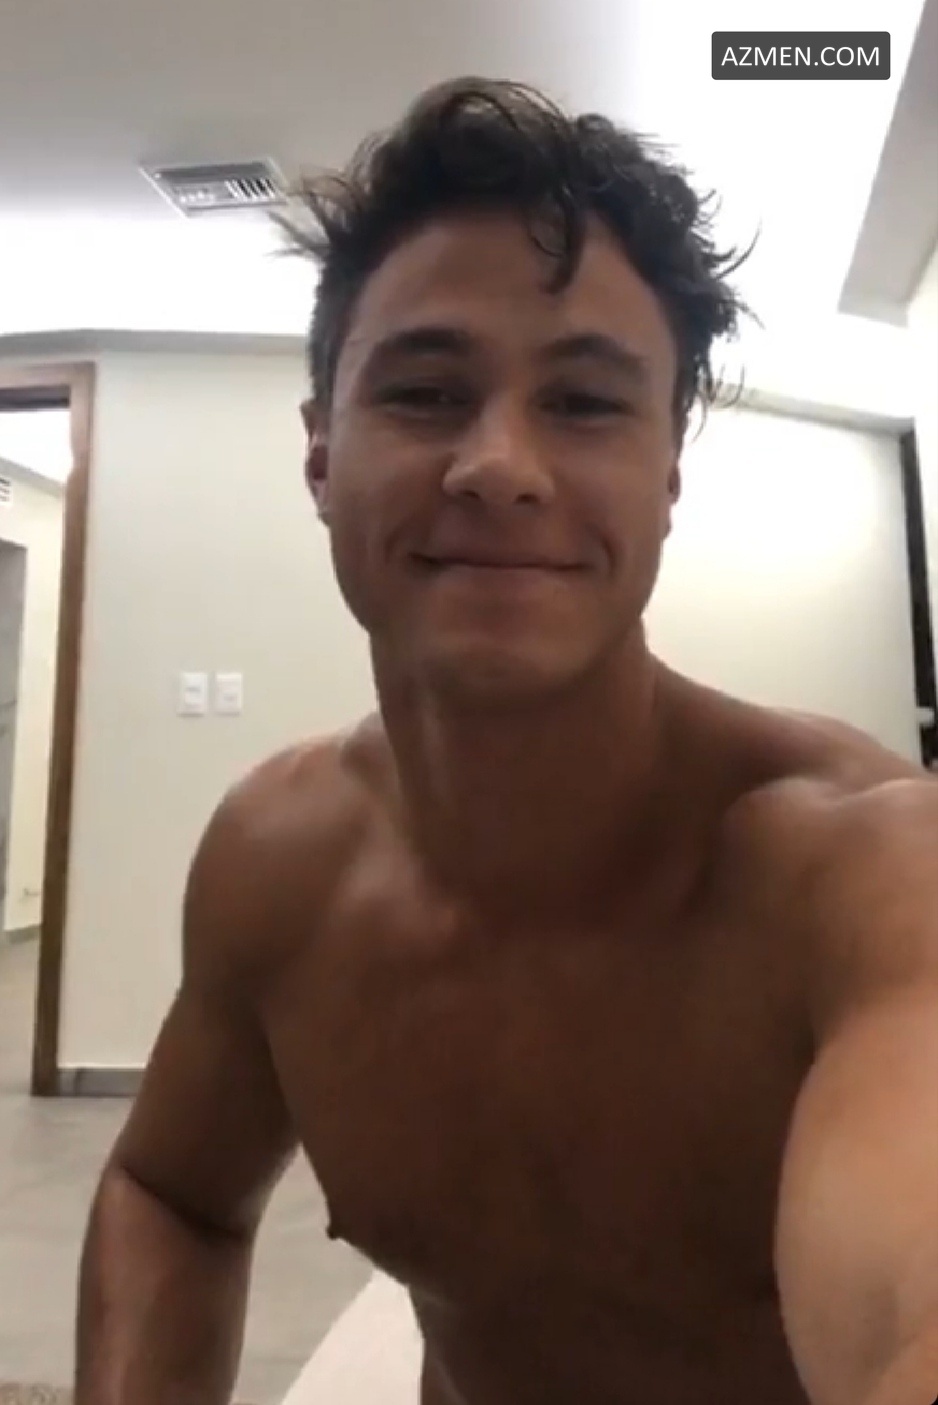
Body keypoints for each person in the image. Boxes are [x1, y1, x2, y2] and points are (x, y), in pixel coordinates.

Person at [75, 79, 938, 1405]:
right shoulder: (277, 865)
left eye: (584, 404)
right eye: (425, 392)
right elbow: (169, 1193)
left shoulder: (867, 880)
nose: (499, 464)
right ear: (321, 455)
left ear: (667, 470)